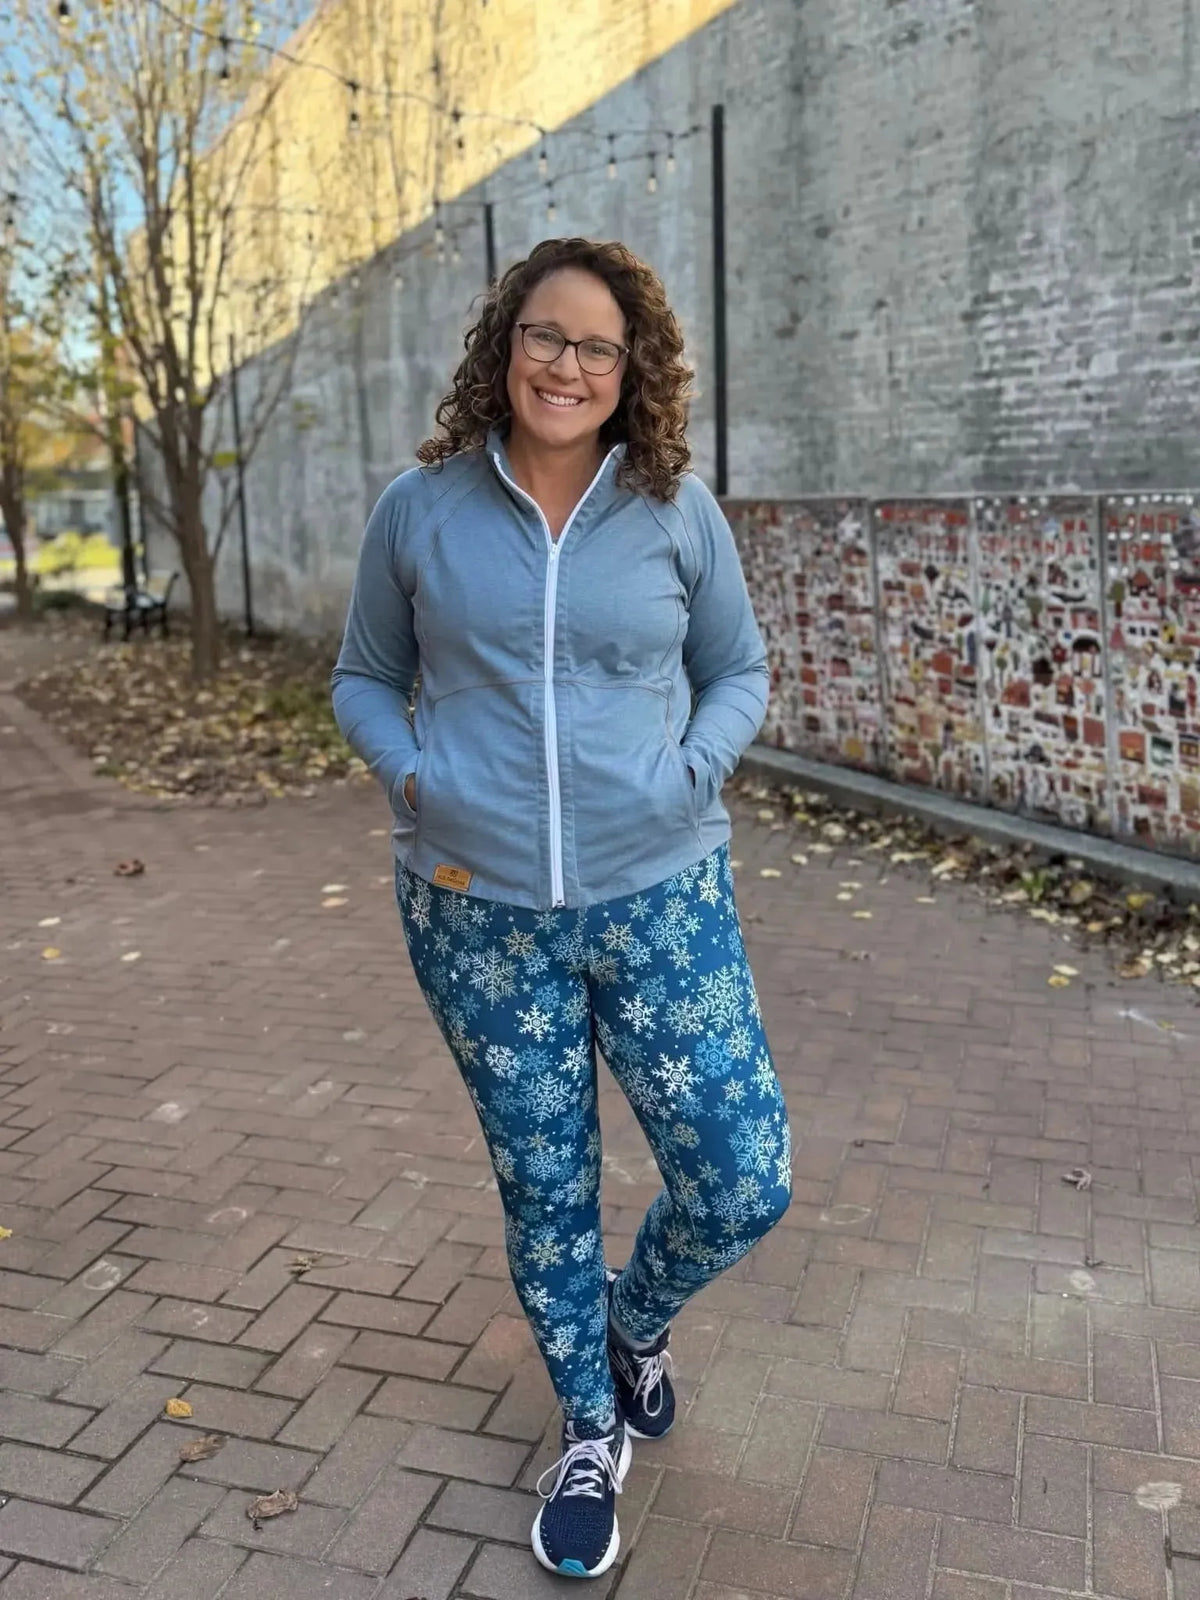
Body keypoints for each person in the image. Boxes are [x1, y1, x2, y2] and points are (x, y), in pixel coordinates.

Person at [332, 237, 791, 1580]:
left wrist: (689, 770)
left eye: (598, 345)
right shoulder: (420, 509)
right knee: (545, 1185)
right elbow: (365, 675)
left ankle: (632, 1320)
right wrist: (417, 777)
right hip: (475, 912)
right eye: (547, 336)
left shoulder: (672, 507)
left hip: (661, 898)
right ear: (504, 343)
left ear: (629, 365)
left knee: (741, 1173)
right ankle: (591, 1429)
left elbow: (739, 670)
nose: (569, 365)